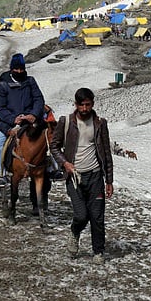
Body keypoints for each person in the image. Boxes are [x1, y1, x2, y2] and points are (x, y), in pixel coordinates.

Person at [50, 87, 114, 264]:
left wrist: (109, 180)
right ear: (76, 104)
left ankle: (98, 251)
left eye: (88, 104)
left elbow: (106, 152)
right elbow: (54, 146)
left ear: (92, 103)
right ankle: (75, 232)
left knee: (97, 216)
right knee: (81, 215)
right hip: (74, 177)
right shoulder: (66, 122)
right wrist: (65, 163)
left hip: (95, 176)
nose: (85, 108)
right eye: (81, 105)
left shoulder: (100, 123)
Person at [0, 53, 44, 187]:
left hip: (30, 120)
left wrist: (33, 114)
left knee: (48, 137)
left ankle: (52, 167)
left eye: (21, 69)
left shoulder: (30, 81)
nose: (19, 72)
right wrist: (13, 119)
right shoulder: (2, 85)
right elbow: (0, 108)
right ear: (11, 69)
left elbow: (38, 99)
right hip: (10, 122)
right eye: (17, 69)